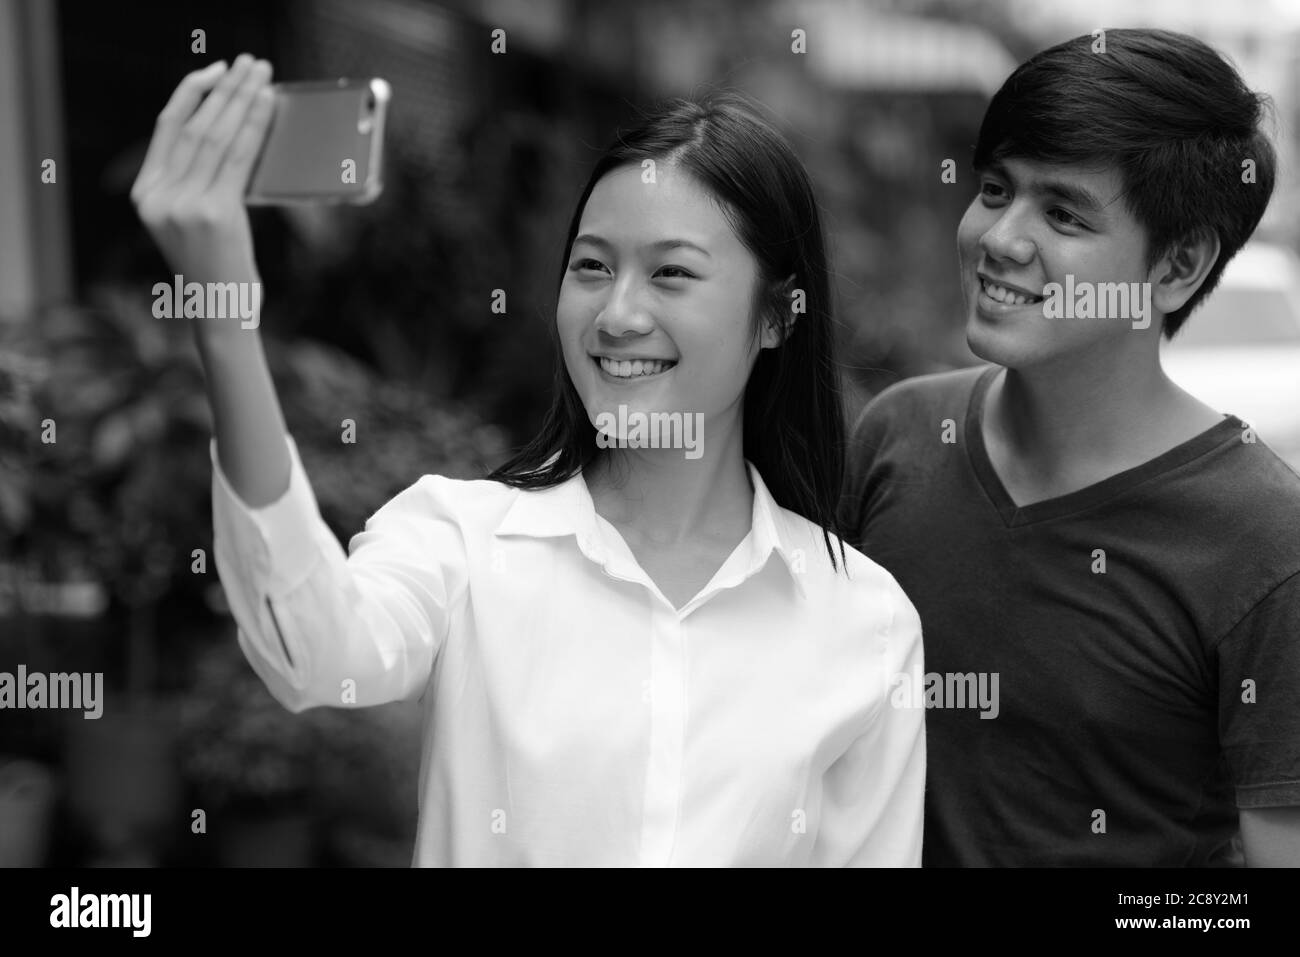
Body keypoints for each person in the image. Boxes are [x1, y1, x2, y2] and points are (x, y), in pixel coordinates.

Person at [133, 54, 924, 866]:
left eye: (671, 273)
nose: (617, 313)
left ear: (775, 317)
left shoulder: (864, 623)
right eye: (591, 266)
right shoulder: (465, 543)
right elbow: (311, 650)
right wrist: (223, 310)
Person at [840, 28, 1300, 867]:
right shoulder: (896, 437)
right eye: (994, 189)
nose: (999, 238)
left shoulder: (1268, 542)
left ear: (1180, 264)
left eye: (1063, 213)